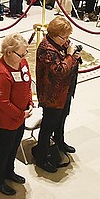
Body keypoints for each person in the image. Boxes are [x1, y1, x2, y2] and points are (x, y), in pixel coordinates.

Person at [34, 17, 79, 172]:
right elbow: (60, 71)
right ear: (53, 34)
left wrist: (73, 57)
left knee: (61, 119)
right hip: (52, 95)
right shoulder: (46, 49)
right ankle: (42, 156)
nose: (67, 40)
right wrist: (70, 56)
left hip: (64, 91)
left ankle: (59, 142)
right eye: (64, 37)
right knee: (48, 126)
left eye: (68, 37)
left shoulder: (61, 43)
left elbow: (69, 59)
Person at [0, 34, 32, 196]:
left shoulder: (22, 63)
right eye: (21, 54)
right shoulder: (0, 73)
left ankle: (9, 171)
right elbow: (3, 102)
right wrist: (21, 114)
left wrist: (30, 103)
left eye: (25, 53)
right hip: (4, 120)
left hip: (20, 117)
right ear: (8, 52)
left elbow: (27, 84)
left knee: (14, 147)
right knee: (3, 150)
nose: (24, 57)